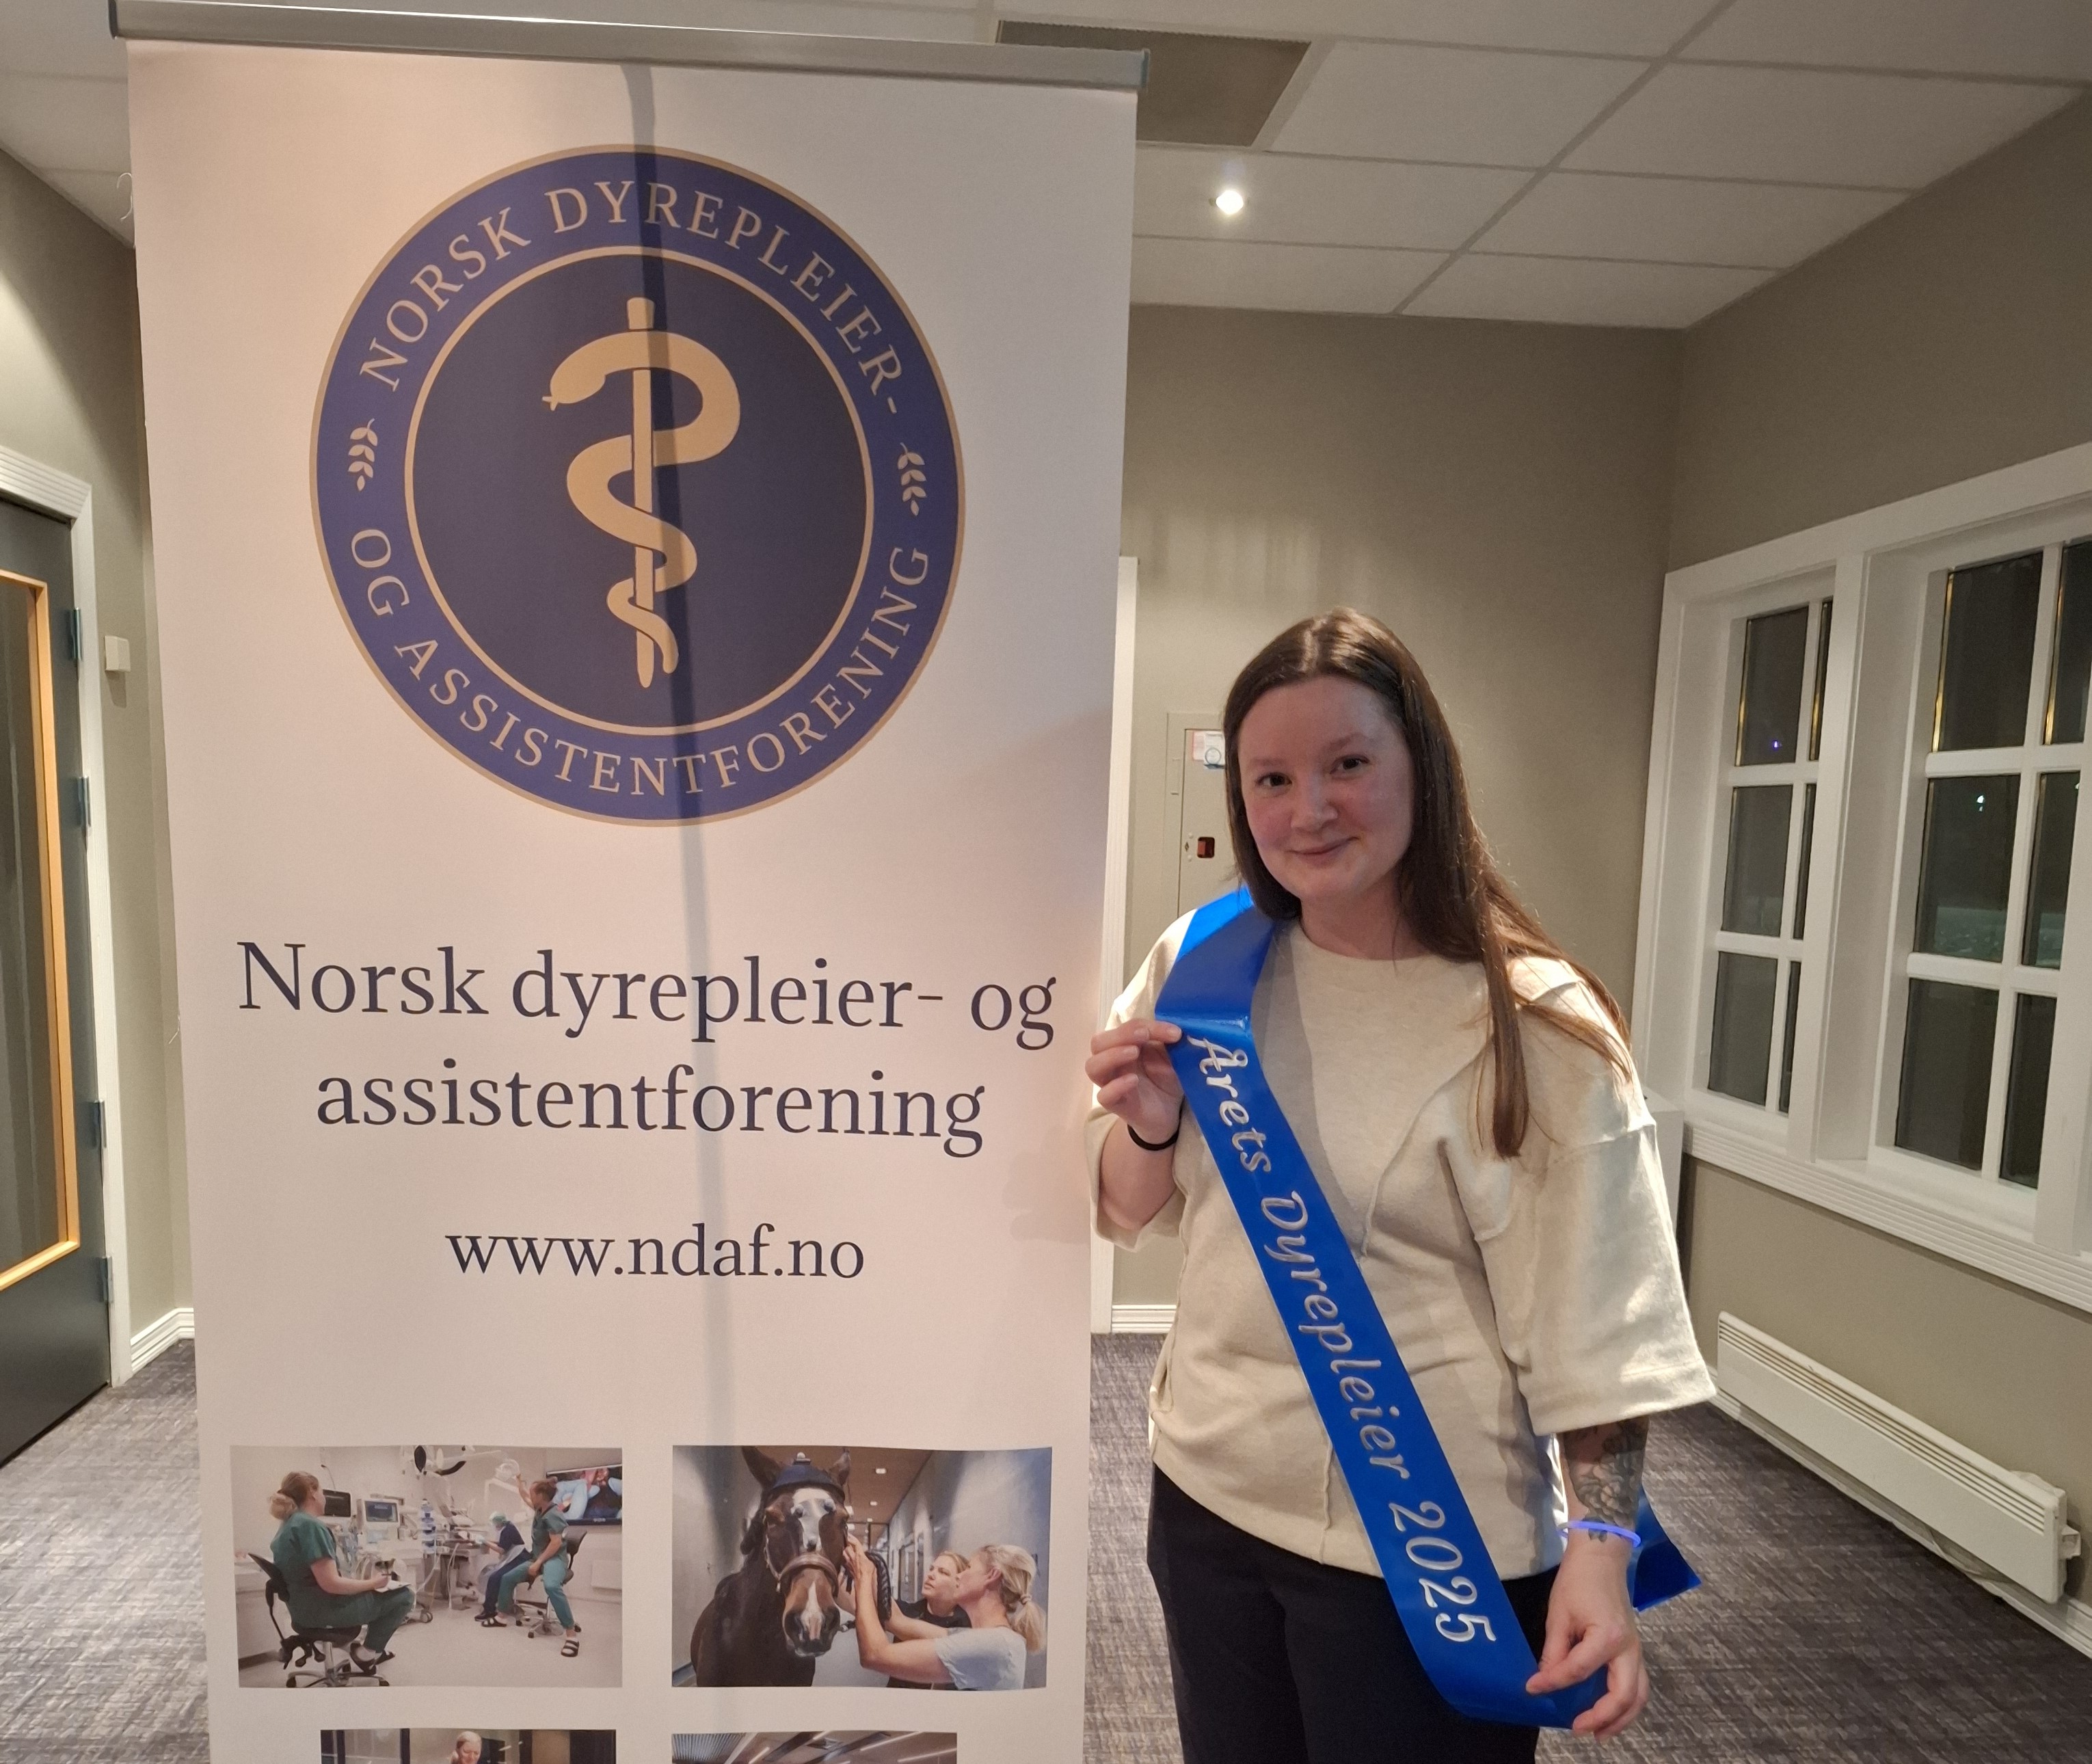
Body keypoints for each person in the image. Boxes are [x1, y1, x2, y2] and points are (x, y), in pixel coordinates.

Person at [1085, 609, 1714, 1763]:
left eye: (1348, 765)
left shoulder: (1533, 1025)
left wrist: (1602, 1551)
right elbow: (1124, 1209)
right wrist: (1151, 1125)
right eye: (1273, 778)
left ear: (1421, 764)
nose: (1308, 810)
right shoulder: (1206, 963)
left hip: (1427, 1550)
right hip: (1207, 1502)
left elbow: (1601, 1330)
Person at [265, 1471, 415, 1674]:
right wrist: (373, 1583)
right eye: (322, 1492)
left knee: (373, 1593)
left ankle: (361, 1648)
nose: (325, 1498)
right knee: (404, 1595)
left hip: (302, 1612)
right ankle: (367, 1653)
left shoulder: (288, 1525)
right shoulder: (310, 1526)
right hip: (325, 1610)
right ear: (312, 1493)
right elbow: (331, 1584)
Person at [845, 1540, 1045, 1690]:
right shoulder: (990, 1639)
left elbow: (875, 1655)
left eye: (968, 1568)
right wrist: (865, 1563)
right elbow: (897, 1621)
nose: (960, 1576)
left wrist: (863, 1576)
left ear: (991, 1576)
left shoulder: (994, 1645)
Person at [496, 1478, 581, 1657]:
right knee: (507, 1578)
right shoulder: (539, 1509)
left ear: (541, 1496)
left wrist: (538, 1563)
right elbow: (526, 1497)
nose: (530, 1497)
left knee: (551, 1586)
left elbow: (556, 1543)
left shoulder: (554, 1515)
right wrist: (520, 1484)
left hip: (554, 1559)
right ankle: (501, 1617)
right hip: (538, 1557)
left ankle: (571, 1635)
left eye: (533, 1493)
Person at [884, 1549, 971, 1689]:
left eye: (943, 1572)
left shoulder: (968, 1627)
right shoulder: (906, 1612)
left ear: (959, 1586)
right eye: (931, 1569)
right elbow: (854, 1600)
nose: (931, 1575)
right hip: (898, 1699)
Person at [476, 1511, 528, 1626]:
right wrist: (488, 1541)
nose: (494, 1526)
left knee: (495, 1577)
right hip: (517, 1558)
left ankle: (489, 1610)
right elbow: (503, 1543)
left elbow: (501, 1550)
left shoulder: (508, 1530)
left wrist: (485, 1542)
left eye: (494, 1523)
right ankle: (493, 1606)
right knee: (491, 1573)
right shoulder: (508, 1527)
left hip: (519, 1560)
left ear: (499, 1522)